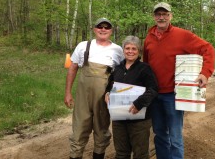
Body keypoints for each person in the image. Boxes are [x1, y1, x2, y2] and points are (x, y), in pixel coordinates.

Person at [143, 2, 215, 159]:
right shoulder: (148, 38)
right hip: (155, 95)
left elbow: (208, 49)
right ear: (154, 16)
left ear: (171, 16)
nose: (161, 17)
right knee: (160, 134)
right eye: (158, 14)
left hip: (173, 95)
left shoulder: (182, 35)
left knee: (175, 137)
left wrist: (205, 73)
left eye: (165, 14)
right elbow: (146, 66)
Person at [64, 18, 124, 159]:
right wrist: (67, 93)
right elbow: (72, 69)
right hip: (83, 98)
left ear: (111, 31)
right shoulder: (83, 46)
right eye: (100, 27)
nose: (103, 29)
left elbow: (122, 73)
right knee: (79, 129)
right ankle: (75, 155)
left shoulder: (117, 50)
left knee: (101, 130)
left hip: (103, 97)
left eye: (107, 27)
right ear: (94, 29)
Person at [105, 35, 158, 159]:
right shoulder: (117, 68)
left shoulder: (145, 68)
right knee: (121, 153)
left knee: (140, 154)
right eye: (127, 48)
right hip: (119, 119)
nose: (130, 51)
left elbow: (153, 89)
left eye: (134, 48)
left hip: (139, 119)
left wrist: (139, 103)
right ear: (123, 50)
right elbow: (110, 85)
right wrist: (107, 92)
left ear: (139, 51)